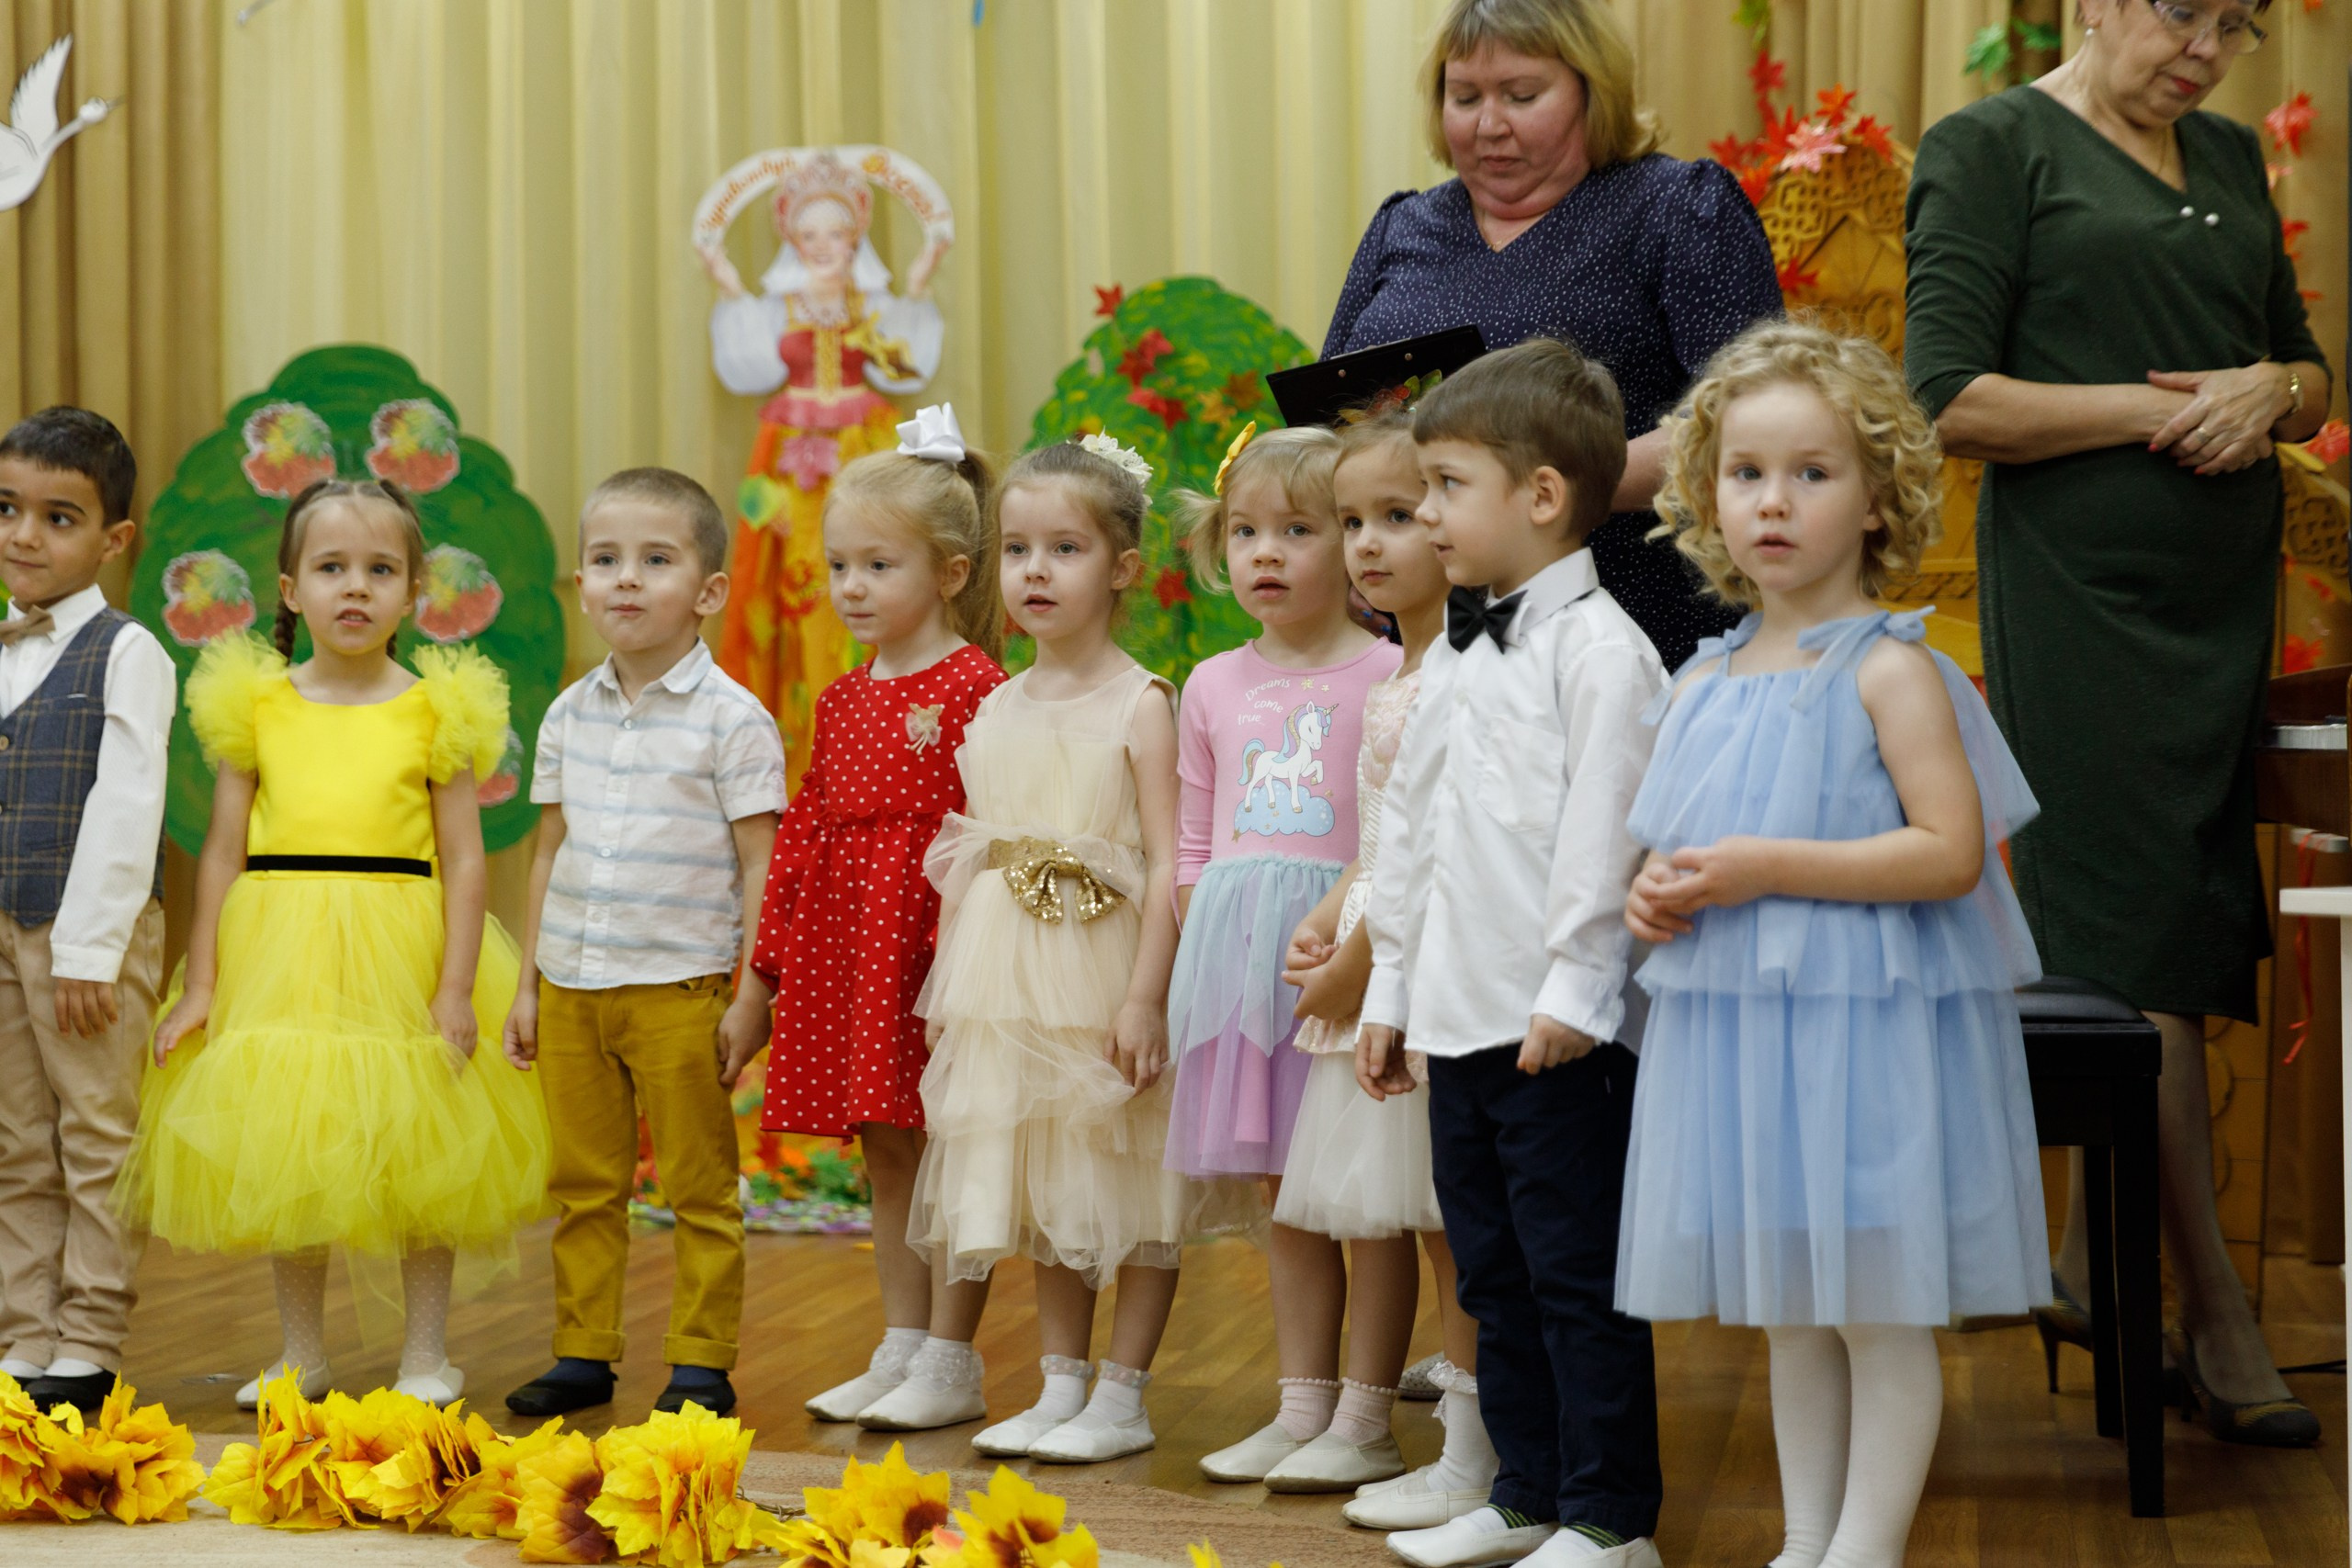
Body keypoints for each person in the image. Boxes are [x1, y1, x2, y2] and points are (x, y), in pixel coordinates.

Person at [1904, 0, 2331, 1445]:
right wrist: (2164, 416)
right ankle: (2211, 1302)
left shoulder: (2222, 150)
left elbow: (2304, 366)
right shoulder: (1992, 144)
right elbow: (1944, 395)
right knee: (2125, 921)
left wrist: (2270, 390)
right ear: (2092, 1)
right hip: (2084, 601)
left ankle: (2093, 1259)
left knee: (2187, 927)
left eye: (2240, 22)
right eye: (2181, 9)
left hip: (2221, 606)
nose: (2209, 47)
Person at [1621, 321, 2048, 1568]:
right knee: (1792, 1313)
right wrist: (1661, 892)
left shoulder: (1890, 673)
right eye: (1748, 472)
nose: (1774, 501)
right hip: (1748, 1048)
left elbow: (1947, 853)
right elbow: (1678, 848)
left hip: (1865, 1039)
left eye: (1812, 472)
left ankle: (1865, 1551)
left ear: (1876, 497)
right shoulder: (1697, 679)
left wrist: (1761, 868)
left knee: (1872, 1310)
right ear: (1707, 495)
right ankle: (1804, 1541)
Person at [119, 479, 549, 1411]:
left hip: (403, 941)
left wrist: (455, 986)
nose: (354, 588)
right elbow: (223, 855)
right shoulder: (257, 706)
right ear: (289, 589)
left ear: (412, 591)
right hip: (282, 945)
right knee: (295, 1146)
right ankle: (300, 1355)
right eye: (331, 569)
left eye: (379, 570)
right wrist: (202, 989)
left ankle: (427, 1357)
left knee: (421, 1152)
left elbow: (466, 863)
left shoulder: (438, 708)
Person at [1358, 339, 1665, 1568]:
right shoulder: (1456, 655)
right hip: (1454, 1016)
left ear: (1540, 496)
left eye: (1443, 487)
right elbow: (1411, 833)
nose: (1425, 512)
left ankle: (1611, 1514)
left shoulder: (1605, 655)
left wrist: (1576, 994)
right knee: (1491, 1275)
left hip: (1555, 1033)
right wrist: (1390, 988)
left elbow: (1605, 847)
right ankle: (1528, 1490)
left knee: (1575, 1278)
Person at [903, 436, 1257, 1465]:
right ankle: (1060, 1383)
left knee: (1129, 1179)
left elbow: (1162, 860)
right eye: (1017, 549)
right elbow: (977, 847)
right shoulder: (995, 702)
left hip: (1107, 973)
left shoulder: (1144, 702)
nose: (1035, 572)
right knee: (1047, 1182)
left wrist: (1145, 999)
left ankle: (1125, 1392)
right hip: (1008, 981)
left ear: (1123, 569)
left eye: (1064, 548)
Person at [1324, 0, 1781, 674]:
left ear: (1591, 94)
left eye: (1522, 95)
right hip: (1421, 641)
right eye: (1465, 96)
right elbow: (1331, 416)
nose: (1488, 124)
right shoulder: (1403, 227)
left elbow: (1756, 417)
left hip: (1631, 630)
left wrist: (1550, 490)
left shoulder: (1675, 208)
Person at [501, 469, 784, 1420]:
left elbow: (760, 864)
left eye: (655, 561)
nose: (626, 580)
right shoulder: (567, 711)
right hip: (575, 980)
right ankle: (583, 1349)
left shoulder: (731, 719)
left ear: (707, 592)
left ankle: (701, 1360)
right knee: (584, 1183)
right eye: (606, 560)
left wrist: (752, 993)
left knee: (701, 1186)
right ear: (580, 582)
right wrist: (532, 984)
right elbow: (550, 848)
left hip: (682, 985)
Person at [752, 407, 1008, 1428]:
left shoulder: (977, 686)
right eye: (839, 566)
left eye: (878, 566)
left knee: (951, 1146)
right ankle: (901, 1342)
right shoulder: (845, 696)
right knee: (886, 1148)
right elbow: (806, 835)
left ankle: (953, 1357)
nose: (852, 588)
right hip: (852, 954)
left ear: (948, 572)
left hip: (938, 957)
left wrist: (970, 975)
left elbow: (993, 837)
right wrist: (767, 974)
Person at [1158, 426, 1404, 1485]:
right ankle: (1299, 1405)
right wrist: (1201, 937)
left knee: (1366, 1195)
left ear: (1349, 545)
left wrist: (1353, 946)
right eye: (1246, 531)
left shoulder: (1393, 670)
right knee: (1283, 1194)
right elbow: (1196, 842)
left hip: (1346, 961)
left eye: (1298, 531)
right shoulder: (1210, 683)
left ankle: (1367, 1416)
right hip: (1238, 960)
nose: (1267, 553)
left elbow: (1392, 832)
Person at [1272, 411, 1497, 1523]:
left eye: (1397, 517)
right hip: (1374, 942)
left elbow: (1440, 844)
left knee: (1454, 1220)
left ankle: (1473, 1445)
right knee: (1415, 1216)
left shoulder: (1462, 666)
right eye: (1351, 520)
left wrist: (1358, 963)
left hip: (1424, 963)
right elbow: (1378, 836)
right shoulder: (1404, 663)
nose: (1367, 544)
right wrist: (1326, 915)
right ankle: (1433, 1436)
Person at [0, 410, 169, 1416]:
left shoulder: (127, 649)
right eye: (8, 510)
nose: (24, 536)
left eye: (57, 518)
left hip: (85, 938)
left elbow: (127, 803)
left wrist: (90, 950)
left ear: (112, 541)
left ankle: (90, 1337)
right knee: (17, 1139)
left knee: (96, 1137)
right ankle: (25, 1333)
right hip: (3, 925)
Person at [704, 150, 950, 792]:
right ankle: (799, 751)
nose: (822, 246)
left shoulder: (870, 308)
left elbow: (904, 367)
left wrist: (919, 283)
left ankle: (880, 723)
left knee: (878, 554)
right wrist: (730, 288)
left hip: (863, 445)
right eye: (809, 234)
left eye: (835, 233)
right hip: (787, 458)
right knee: (794, 583)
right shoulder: (777, 309)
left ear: (854, 238)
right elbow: (749, 366)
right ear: (792, 237)